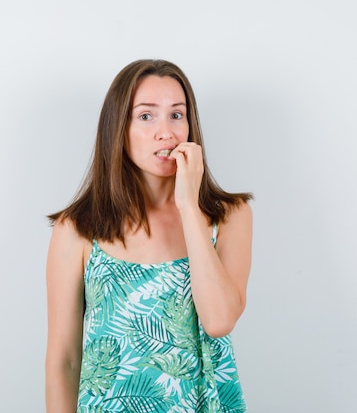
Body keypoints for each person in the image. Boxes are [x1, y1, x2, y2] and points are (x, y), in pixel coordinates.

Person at [45, 59, 253, 413]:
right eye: (146, 116)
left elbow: (219, 321)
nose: (166, 132)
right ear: (118, 128)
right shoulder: (78, 229)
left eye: (177, 115)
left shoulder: (228, 217)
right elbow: (64, 360)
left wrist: (188, 205)